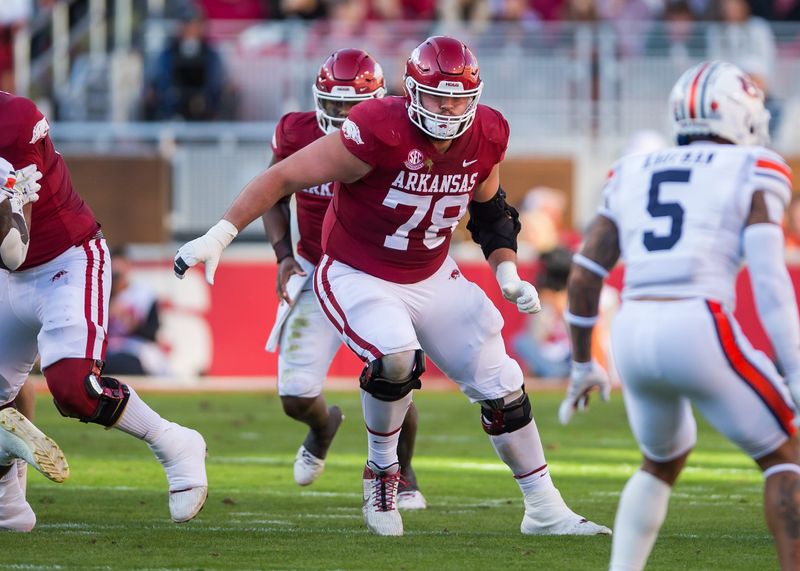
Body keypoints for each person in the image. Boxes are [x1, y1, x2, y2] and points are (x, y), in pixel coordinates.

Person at [175, 35, 610, 538]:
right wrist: (220, 233)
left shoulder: (487, 132)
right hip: (356, 270)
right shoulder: (377, 129)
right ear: (410, 93)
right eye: (436, 96)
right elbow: (280, 179)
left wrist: (507, 272)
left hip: (429, 271)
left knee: (503, 385)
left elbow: (491, 211)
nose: (448, 109)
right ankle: (382, 472)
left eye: (458, 98)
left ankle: (544, 507)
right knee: (396, 356)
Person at [561, 61, 800, 570]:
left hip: (632, 329)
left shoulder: (630, 169)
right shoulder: (757, 166)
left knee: (662, 461)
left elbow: (584, 277)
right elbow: (768, 278)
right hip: (697, 321)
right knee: (787, 457)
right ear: (741, 115)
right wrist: (796, 367)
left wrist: (583, 363)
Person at [0, 93, 208, 528]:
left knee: (74, 389)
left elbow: (14, 250)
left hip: (64, 260)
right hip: (7, 275)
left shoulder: (14, 120)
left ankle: (172, 441)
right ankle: (8, 502)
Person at [263, 48, 426, 509]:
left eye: (353, 108)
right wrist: (281, 256)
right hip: (317, 268)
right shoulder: (295, 132)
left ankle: (405, 474)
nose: (343, 117)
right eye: (333, 106)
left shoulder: (400, 134)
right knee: (295, 397)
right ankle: (323, 425)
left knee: (392, 376)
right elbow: (273, 193)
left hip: (374, 272)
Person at [105, 247, 171, 377]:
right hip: (107, 348)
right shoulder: (102, 294)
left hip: (135, 346)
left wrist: (130, 321)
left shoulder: (144, 295)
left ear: (128, 267)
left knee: (152, 362)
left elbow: (152, 332)